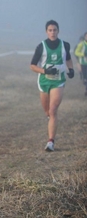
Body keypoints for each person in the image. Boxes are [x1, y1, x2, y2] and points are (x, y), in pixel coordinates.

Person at [30, 20, 74, 152]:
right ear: (46, 32)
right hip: (44, 81)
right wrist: (45, 71)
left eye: (55, 30)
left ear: (58, 31)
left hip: (58, 81)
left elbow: (68, 59)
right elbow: (32, 66)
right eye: (50, 30)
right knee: (47, 112)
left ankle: (50, 142)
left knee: (53, 109)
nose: (53, 32)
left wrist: (70, 69)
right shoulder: (41, 46)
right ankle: (51, 120)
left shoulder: (65, 45)